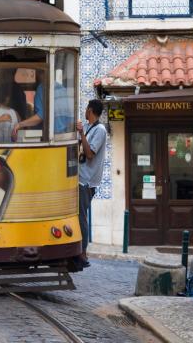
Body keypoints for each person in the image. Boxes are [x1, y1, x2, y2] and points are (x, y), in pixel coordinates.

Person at [76, 100, 108, 266]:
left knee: (82, 217)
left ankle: (83, 253)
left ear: (90, 110)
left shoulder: (100, 130)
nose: (85, 111)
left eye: (86, 109)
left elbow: (89, 154)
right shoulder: (90, 128)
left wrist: (81, 134)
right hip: (81, 177)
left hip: (87, 181)